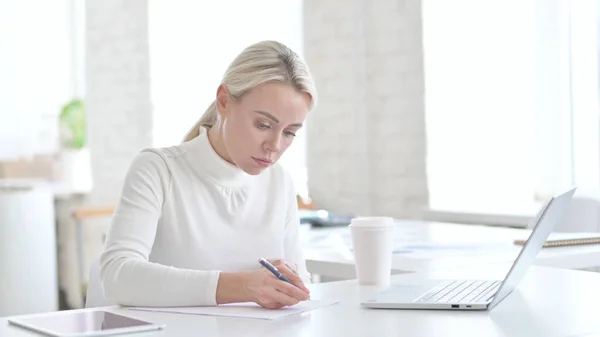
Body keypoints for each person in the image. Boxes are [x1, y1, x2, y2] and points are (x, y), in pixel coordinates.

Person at [99, 40, 317, 309]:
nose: (274, 145)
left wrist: (290, 290)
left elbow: (300, 286)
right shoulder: (158, 170)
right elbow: (117, 277)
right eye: (263, 124)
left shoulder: (279, 182)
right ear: (224, 101)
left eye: (289, 132)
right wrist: (243, 286)